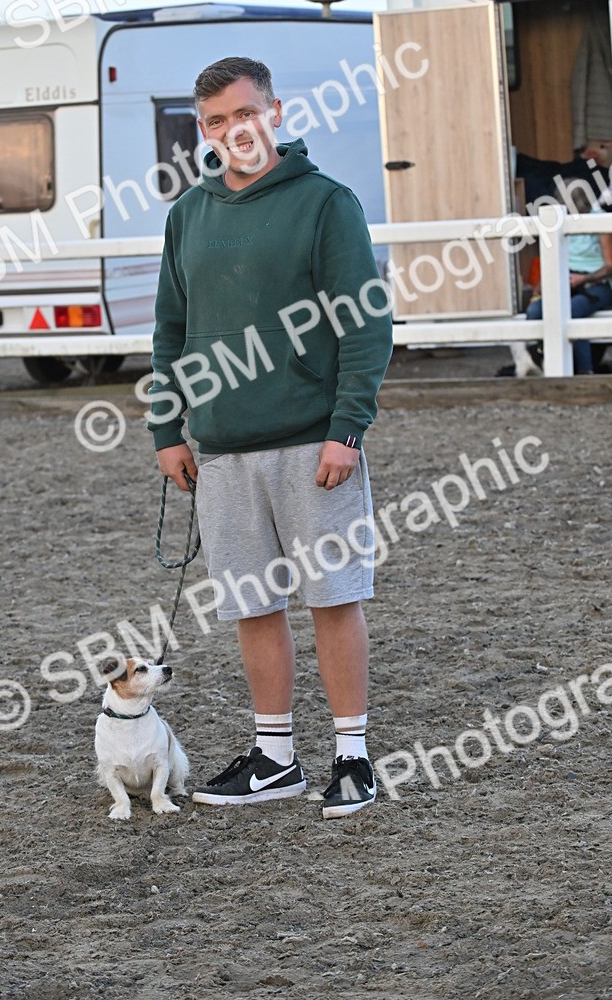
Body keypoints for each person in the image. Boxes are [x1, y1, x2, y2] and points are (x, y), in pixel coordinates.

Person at [148, 56, 393, 819]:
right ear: (203, 130)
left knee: (333, 597)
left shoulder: (325, 202)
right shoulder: (188, 213)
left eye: (244, 114)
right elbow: (168, 330)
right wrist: (167, 426)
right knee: (252, 607)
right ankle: (275, 758)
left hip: (313, 444)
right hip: (221, 448)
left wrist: (346, 429)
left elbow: (366, 322)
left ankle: (352, 757)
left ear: (275, 113)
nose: (232, 131)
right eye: (216, 121)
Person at [525, 185, 612, 375]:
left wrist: (583, 278)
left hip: (596, 283)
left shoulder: (599, 219)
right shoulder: (557, 221)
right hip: (564, 279)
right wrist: (542, 286)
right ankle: (549, 364)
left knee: (572, 310)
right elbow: (551, 258)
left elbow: (611, 265)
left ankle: (584, 371)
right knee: (535, 311)